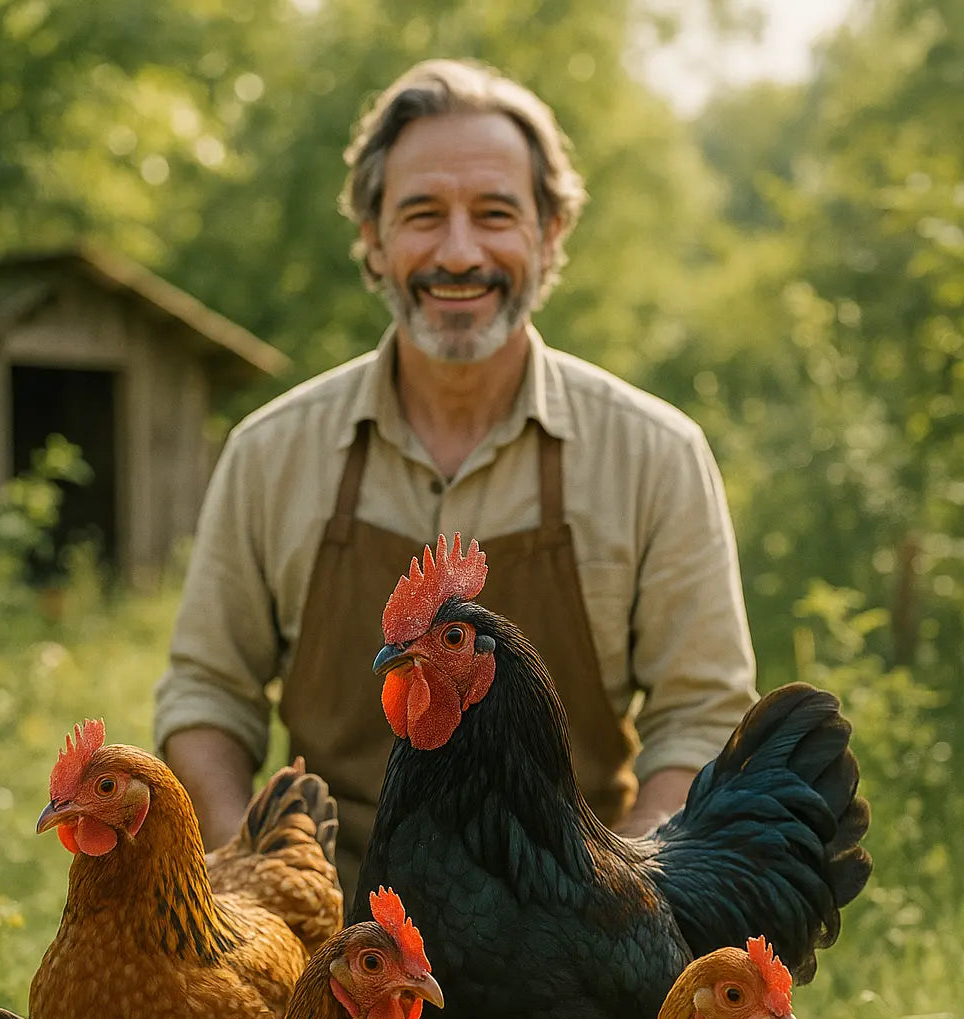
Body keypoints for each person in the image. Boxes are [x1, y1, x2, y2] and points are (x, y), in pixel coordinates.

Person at [154, 58, 756, 898]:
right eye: (423, 215)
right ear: (372, 236)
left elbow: (702, 717)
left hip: (574, 945)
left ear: (550, 235)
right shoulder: (269, 453)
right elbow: (207, 697)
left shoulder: (655, 454)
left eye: (496, 214)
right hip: (329, 944)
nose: (460, 252)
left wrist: (629, 906)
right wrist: (258, 895)